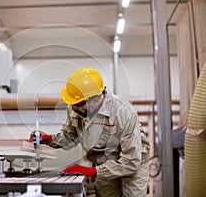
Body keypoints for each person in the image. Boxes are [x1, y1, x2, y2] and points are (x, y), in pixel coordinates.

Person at [30, 67, 150, 197]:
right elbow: (69, 136)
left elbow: (131, 161)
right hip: (103, 162)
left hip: (131, 163)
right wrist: (49, 139)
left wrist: (93, 171)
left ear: (96, 99)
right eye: (72, 103)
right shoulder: (75, 109)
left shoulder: (124, 113)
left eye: (79, 103)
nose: (74, 107)